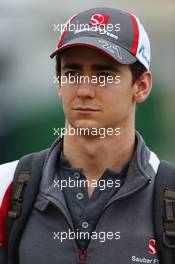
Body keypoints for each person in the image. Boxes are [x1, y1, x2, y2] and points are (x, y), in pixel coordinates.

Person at [0, 7, 174, 264]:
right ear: (58, 83)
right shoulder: (7, 186)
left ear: (142, 86)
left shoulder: (168, 194)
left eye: (104, 75)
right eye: (72, 73)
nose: (84, 90)